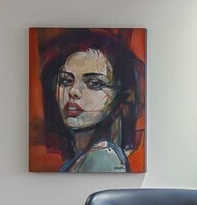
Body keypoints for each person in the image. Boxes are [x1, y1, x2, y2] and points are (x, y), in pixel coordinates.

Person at [37, 30, 142, 172]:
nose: (73, 91)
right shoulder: (82, 159)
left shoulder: (104, 159)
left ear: (120, 96)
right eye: (66, 80)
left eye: (94, 83)